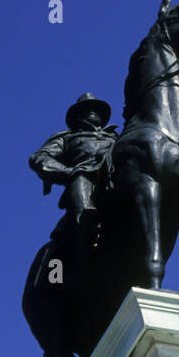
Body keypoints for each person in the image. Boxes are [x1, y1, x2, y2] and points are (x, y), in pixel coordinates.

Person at [29, 93, 117, 247]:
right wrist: (66, 171)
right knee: (80, 176)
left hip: (114, 177)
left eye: (96, 109)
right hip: (84, 178)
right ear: (78, 115)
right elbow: (40, 157)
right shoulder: (67, 138)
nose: (92, 111)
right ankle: (86, 223)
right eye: (87, 108)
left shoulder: (117, 138)